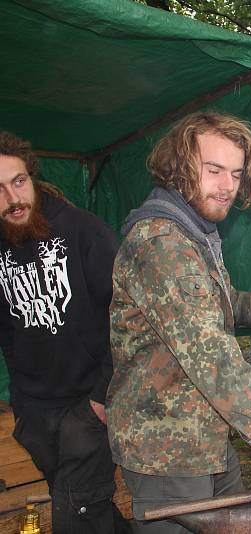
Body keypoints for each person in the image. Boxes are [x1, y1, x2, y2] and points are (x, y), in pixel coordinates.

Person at [105, 112, 251, 533]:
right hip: (167, 450)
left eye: (236, 174)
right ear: (179, 168)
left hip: (207, 436)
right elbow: (211, 354)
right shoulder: (162, 242)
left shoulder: (193, 231)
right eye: (214, 170)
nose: (228, 186)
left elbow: (200, 310)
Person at [0, 132, 127, 533]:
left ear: (33, 178)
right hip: (34, 412)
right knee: (81, 504)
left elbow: (129, 315)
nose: (12, 198)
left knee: (77, 511)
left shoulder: (83, 231)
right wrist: (21, 406)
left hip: (86, 406)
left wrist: (102, 396)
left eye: (18, 182)